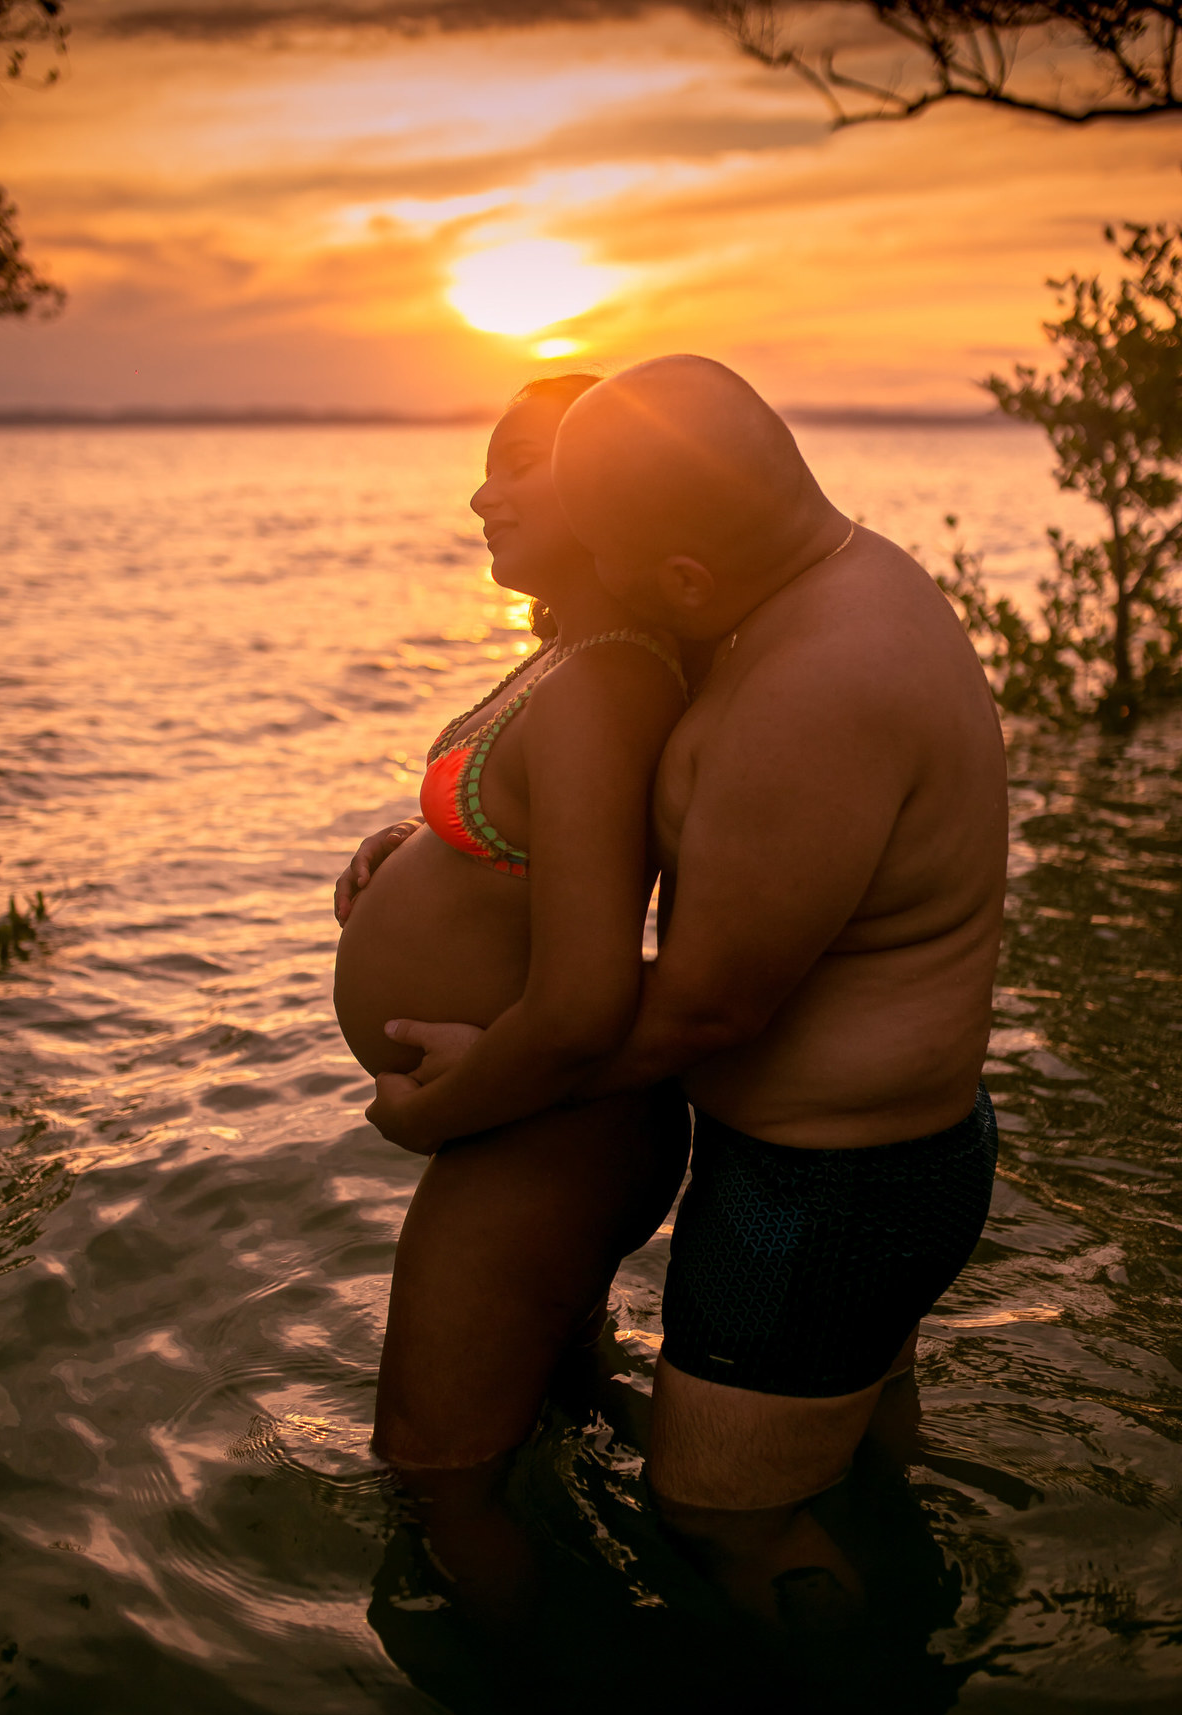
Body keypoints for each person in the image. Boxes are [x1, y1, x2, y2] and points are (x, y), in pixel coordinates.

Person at [367, 356, 1006, 1581]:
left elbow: (712, 999)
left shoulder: (816, 682)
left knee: (724, 1519)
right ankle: (897, 1624)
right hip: (859, 1159)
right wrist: (433, 855)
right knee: (857, 1468)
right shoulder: (818, 596)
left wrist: (482, 1084)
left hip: (829, 1196)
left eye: (609, 557)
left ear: (685, 578)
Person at [333, 371, 690, 1471]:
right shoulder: (569, 658)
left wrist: (425, 1118)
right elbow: (546, 843)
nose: (487, 495)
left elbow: (585, 998)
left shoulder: (605, 681)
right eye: (485, 466)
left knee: (435, 1478)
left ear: (616, 491)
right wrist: (429, 845)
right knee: (549, 1425)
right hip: (529, 1124)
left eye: (522, 463)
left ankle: (552, 1643)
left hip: (542, 1132)